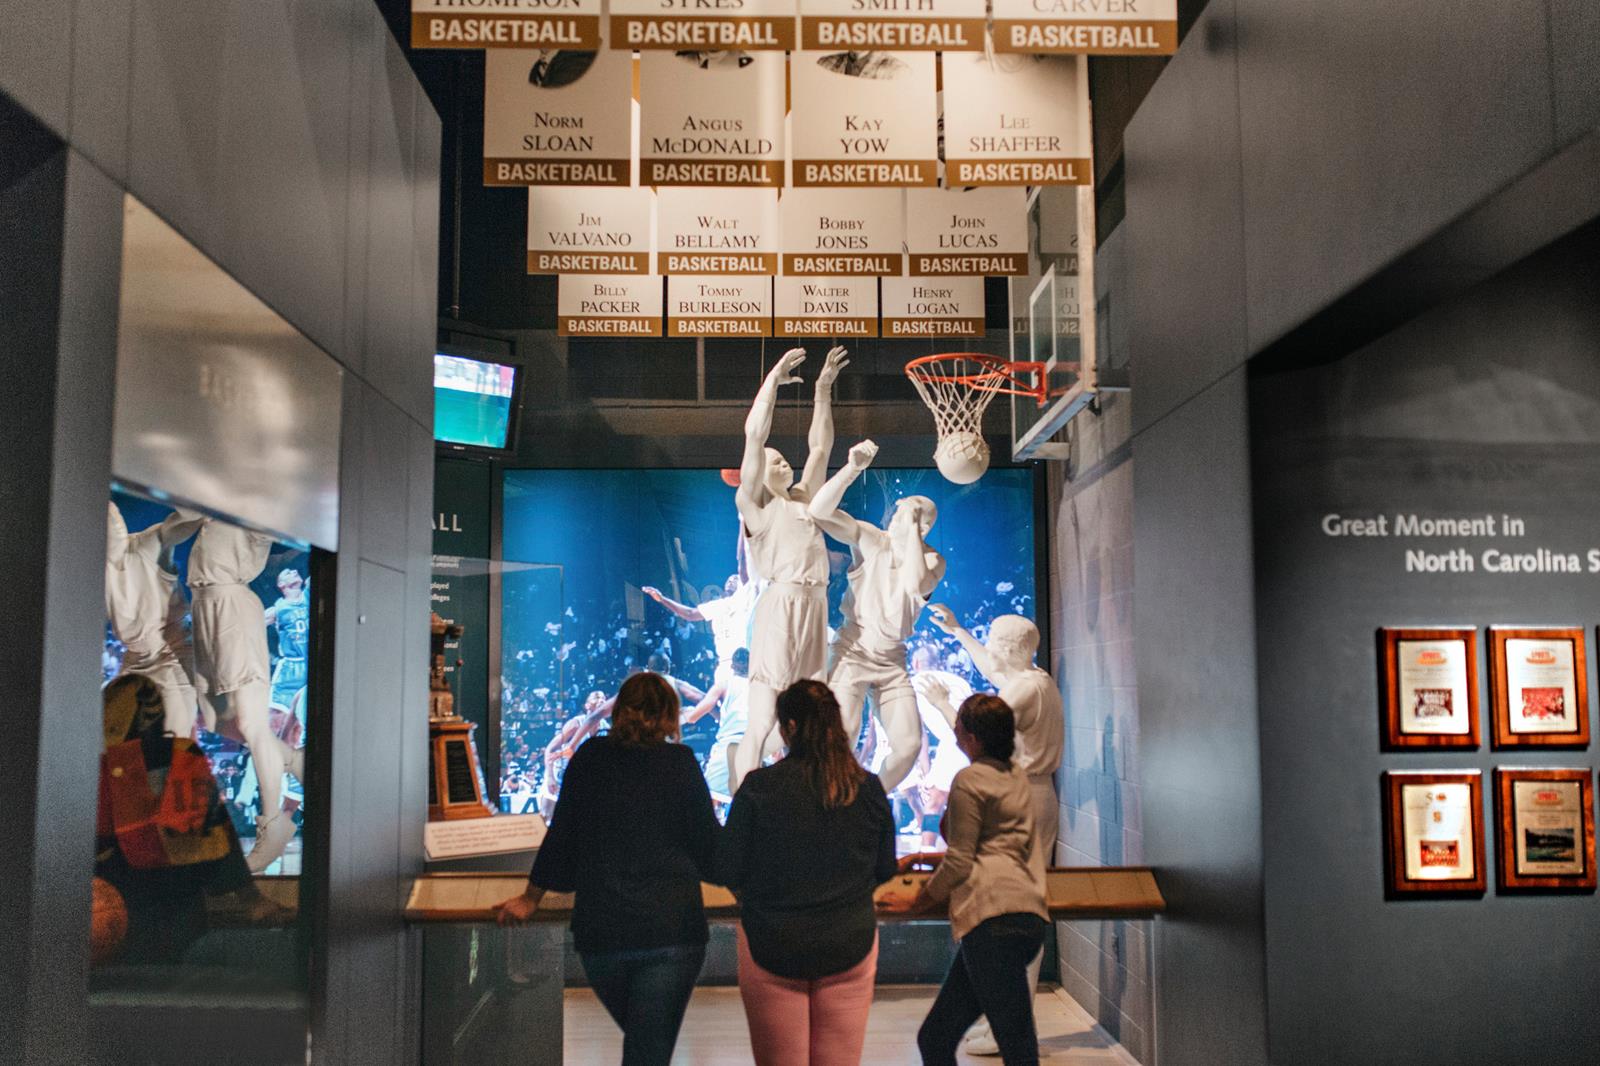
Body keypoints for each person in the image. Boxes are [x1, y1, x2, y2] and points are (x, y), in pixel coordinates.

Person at [494, 673, 719, 1066]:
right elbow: (708, 845)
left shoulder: (590, 759)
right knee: (649, 1049)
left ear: (618, 712)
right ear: (669, 715)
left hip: (603, 933)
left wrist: (531, 899)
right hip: (672, 931)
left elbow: (561, 835)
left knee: (645, 1046)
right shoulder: (680, 764)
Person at [717, 680, 898, 1066]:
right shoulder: (867, 789)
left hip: (771, 942)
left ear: (791, 728)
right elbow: (884, 869)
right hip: (849, 943)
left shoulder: (759, 787)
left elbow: (728, 867)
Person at [880, 694, 1050, 1066]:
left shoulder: (970, 779)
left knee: (1017, 1048)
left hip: (993, 922)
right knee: (936, 1037)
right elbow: (993, 846)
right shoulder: (1016, 777)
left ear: (972, 737)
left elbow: (960, 861)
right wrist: (926, 856)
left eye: (958, 726)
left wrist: (919, 901)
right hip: (1028, 914)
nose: (954, 732)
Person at [924, 607, 1062, 1056]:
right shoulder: (1032, 679)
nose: (990, 649)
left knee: (1015, 906)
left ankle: (1008, 1016)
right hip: (1030, 793)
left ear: (1008, 647)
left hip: (1024, 800)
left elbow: (979, 729)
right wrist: (958, 631)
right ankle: (1006, 1018)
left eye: (992, 640)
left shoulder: (1024, 691)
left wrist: (945, 705)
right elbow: (993, 674)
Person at [731, 346, 855, 790]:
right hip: (781, 603)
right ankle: (746, 797)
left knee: (816, 710)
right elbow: (753, 436)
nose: (783, 461)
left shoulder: (805, 498)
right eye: (774, 460)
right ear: (759, 477)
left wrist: (822, 390)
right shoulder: (756, 509)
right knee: (763, 716)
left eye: (785, 458)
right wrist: (772, 382)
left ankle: (817, 790)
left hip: (814, 603)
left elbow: (820, 446)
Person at [806, 438, 946, 792]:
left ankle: (870, 797)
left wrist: (913, 523)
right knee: (842, 737)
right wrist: (852, 469)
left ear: (923, 528)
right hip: (853, 650)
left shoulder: (932, 560)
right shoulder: (871, 538)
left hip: (892, 660)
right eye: (903, 512)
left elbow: (915, 582)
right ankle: (830, 802)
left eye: (914, 517)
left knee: (909, 745)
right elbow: (818, 512)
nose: (902, 516)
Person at [188, 518, 306, 872]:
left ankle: (274, 824)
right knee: (213, 718)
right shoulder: (215, 501)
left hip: (230, 603)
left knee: (253, 726)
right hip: (205, 602)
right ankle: (294, 762)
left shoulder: (252, 501)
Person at [104, 503, 205, 737]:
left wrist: (204, 506)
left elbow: (178, 525)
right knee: (117, 729)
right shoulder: (95, 565)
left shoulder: (146, 544)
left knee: (174, 730)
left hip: (171, 649)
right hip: (135, 656)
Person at [680, 646, 751, 803]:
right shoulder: (762, 687)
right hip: (758, 747)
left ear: (732, 666)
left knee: (711, 800)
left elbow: (693, 717)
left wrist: (684, 714)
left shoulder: (724, 685)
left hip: (729, 746)